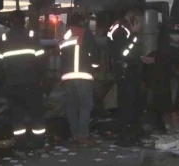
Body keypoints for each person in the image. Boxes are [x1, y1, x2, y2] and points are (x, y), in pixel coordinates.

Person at [0, 10, 47, 148]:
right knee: (37, 113)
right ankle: (38, 143)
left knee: (17, 115)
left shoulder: (4, 38)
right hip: (32, 82)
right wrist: (41, 77)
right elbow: (42, 60)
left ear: (10, 22)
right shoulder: (32, 36)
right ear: (24, 21)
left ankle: (21, 144)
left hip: (13, 83)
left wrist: (3, 78)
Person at [59, 13, 99, 145]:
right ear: (82, 22)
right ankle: (83, 136)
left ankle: (75, 135)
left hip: (67, 77)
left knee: (72, 107)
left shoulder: (64, 36)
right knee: (85, 106)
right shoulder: (85, 33)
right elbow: (95, 54)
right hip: (83, 75)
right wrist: (95, 67)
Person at [107, 8, 144, 146]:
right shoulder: (121, 30)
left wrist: (139, 58)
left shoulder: (120, 28)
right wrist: (135, 35)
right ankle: (126, 136)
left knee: (132, 101)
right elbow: (124, 53)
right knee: (127, 103)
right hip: (125, 71)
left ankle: (131, 133)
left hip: (127, 70)